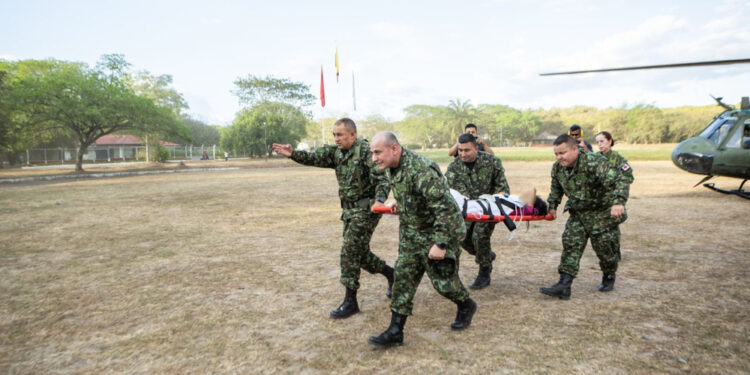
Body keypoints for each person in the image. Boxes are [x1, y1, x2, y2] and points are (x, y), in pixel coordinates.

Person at [271, 118, 395, 319]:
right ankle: (391, 274)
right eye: (334, 135)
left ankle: (350, 301)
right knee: (360, 255)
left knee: (349, 250)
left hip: (366, 210)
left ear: (352, 135)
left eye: (340, 135)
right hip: (348, 211)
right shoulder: (336, 152)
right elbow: (314, 157)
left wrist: (380, 200)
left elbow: (382, 178)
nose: (336, 139)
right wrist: (293, 154)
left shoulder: (366, 152)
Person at [368, 131, 477, 348]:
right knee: (402, 280)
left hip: (436, 232)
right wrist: (404, 204)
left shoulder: (421, 171)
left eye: (378, 152)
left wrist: (441, 243)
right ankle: (395, 331)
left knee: (443, 284)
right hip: (411, 235)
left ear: (394, 149)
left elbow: (447, 211)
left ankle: (466, 304)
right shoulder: (391, 166)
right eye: (372, 153)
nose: (374, 158)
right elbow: (413, 194)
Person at [540, 134, 632, 300]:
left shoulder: (594, 162)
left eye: (563, 153)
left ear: (575, 149)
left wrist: (618, 202)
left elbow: (620, 179)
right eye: (556, 154)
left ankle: (609, 274)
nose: (559, 157)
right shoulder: (558, 167)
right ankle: (564, 285)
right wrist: (552, 206)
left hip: (601, 213)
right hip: (579, 213)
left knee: (606, 250)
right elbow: (556, 188)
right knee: (571, 244)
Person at [445, 133, 509, 289]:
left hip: (488, 209)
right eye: (460, 150)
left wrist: (494, 201)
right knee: (462, 238)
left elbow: (503, 189)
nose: (462, 154)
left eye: (467, 150)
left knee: (480, 236)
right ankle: (486, 254)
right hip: (466, 210)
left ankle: (484, 272)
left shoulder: (492, 162)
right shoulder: (453, 167)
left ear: (476, 147)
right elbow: (452, 193)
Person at [595, 131, 634, 260]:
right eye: (597, 142)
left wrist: (619, 199)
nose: (600, 145)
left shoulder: (618, 159)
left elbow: (627, 177)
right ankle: (608, 253)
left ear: (610, 141)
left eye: (602, 141)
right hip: (597, 200)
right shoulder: (595, 158)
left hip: (612, 200)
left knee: (611, 229)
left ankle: (615, 251)